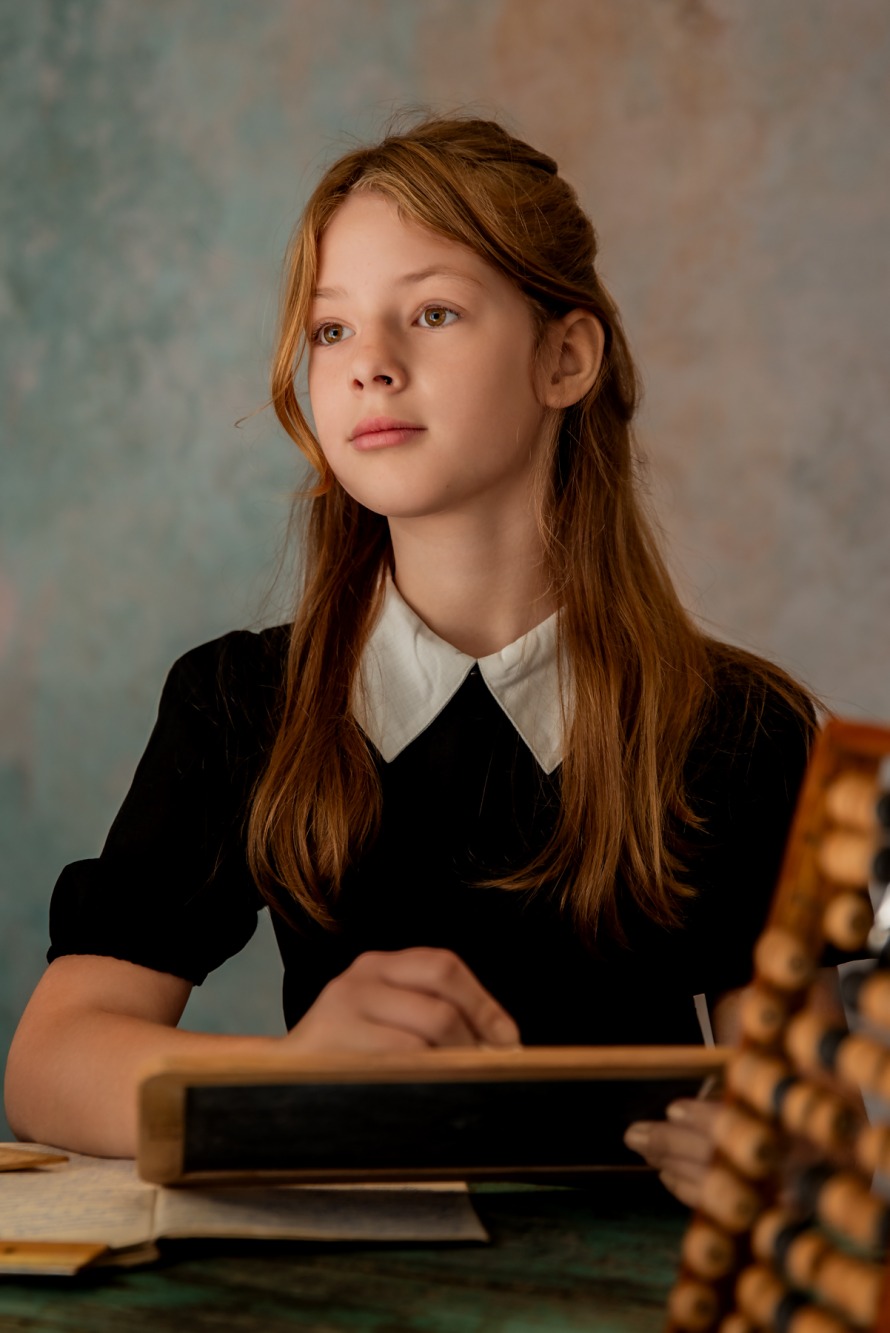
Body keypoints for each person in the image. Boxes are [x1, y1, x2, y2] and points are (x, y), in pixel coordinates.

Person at [4, 115, 834, 1204]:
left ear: (565, 358)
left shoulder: (743, 726)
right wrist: (296, 1082)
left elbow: (807, 1106)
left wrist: (787, 1153)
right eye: (331, 329)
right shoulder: (237, 702)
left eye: (432, 313)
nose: (371, 367)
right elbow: (49, 1063)